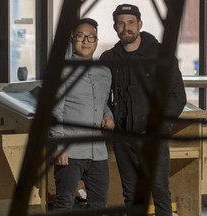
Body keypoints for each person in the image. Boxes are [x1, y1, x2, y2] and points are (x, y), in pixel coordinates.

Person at [100, 4, 187, 216]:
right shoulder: (108, 59)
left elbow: (177, 96)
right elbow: (101, 96)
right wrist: (107, 114)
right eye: (121, 23)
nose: (126, 27)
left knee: (159, 192)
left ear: (139, 24)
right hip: (124, 140)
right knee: (131, 194)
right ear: (114, 27)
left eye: (130, 22)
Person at [50, 18, 115, 210]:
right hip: (71, 151)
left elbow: (102, 104)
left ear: (96, 41)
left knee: (99, 205)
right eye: (81, 36)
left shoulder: (104, 72)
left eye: (91, 37)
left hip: (98, 153)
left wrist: (108, 115)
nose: (86, 41)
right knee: (65, 204)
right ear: (72, 40)